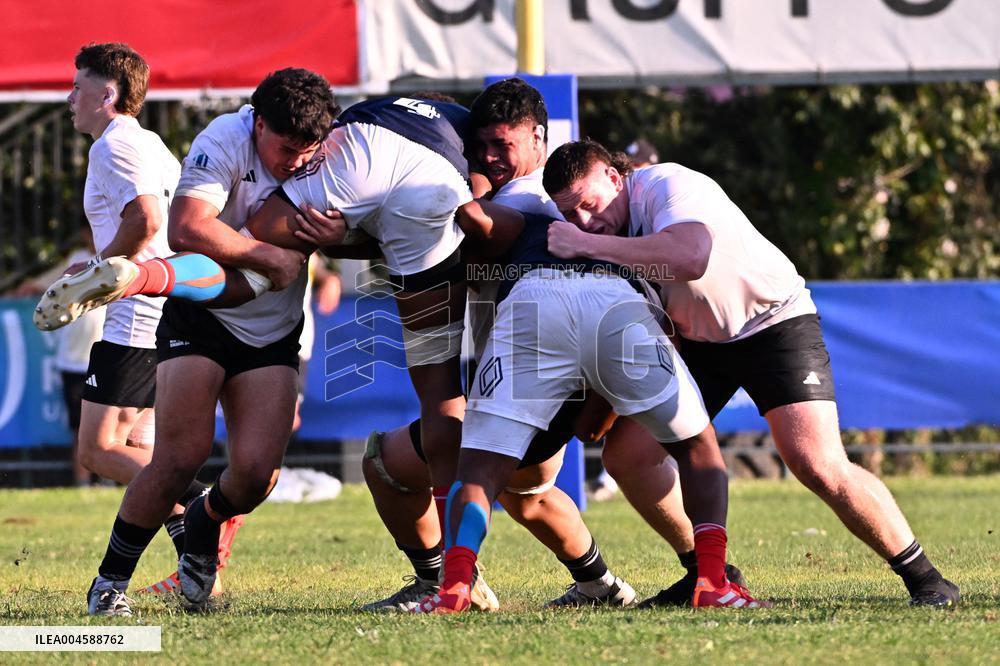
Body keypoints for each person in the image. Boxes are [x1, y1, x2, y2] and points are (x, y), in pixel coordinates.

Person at [362, 78, 737, 611]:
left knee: (397, 463)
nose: (489, 157)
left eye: (501, 145)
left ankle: (446, 584)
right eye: (479, 147)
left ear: (538, 137)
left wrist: (435, 200)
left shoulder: (523, 197)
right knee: (533, 490)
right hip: (603, 331)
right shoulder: (573, 199)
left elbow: (480, 224)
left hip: (540, 344)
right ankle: (669, 580)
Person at [542, 139, 960, 608]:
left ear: (613, 178)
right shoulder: (598, 238)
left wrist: (586, 245)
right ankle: (707, 573)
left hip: (773, 323)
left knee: (817, 464)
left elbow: (690, 257)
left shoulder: (665, 184)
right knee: (628, 456)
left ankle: (926, 579)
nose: (583, 220)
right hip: (698, 344)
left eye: (589, 204)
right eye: (570, 213)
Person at [64, 67, 339, 615]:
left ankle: (202, 527)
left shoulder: (333, 152)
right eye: (286, 149)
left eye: (306, 152)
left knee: (257, 476)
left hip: (273, 330)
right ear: (259, 125)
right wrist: (265, 255)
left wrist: (340, 239)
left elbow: (365, 227)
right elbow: (186, 228)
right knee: (175, 459)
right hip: (201, 317)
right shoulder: (225, 136)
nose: (296, 163)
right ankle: (110, 584)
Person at [414, 212, 764, 613]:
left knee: (478, 468)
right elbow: (592, 428)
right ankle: (713, 583)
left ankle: (455, 587)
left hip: (534, 300)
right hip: (616, 301)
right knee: (697, 446)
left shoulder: (527, 218)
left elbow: (473, 214)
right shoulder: (635, 237)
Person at [37, 43, 232, 616]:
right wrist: (99, 264)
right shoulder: (149, 143)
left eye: (78, 87)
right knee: (143, 454)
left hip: (137, 313)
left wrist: (98, 274)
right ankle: (200, 576)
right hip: (170, 305)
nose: (69, 98)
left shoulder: (113, 144)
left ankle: (203, 508)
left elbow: (145, 219)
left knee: (98, 450)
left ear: (109, 93)